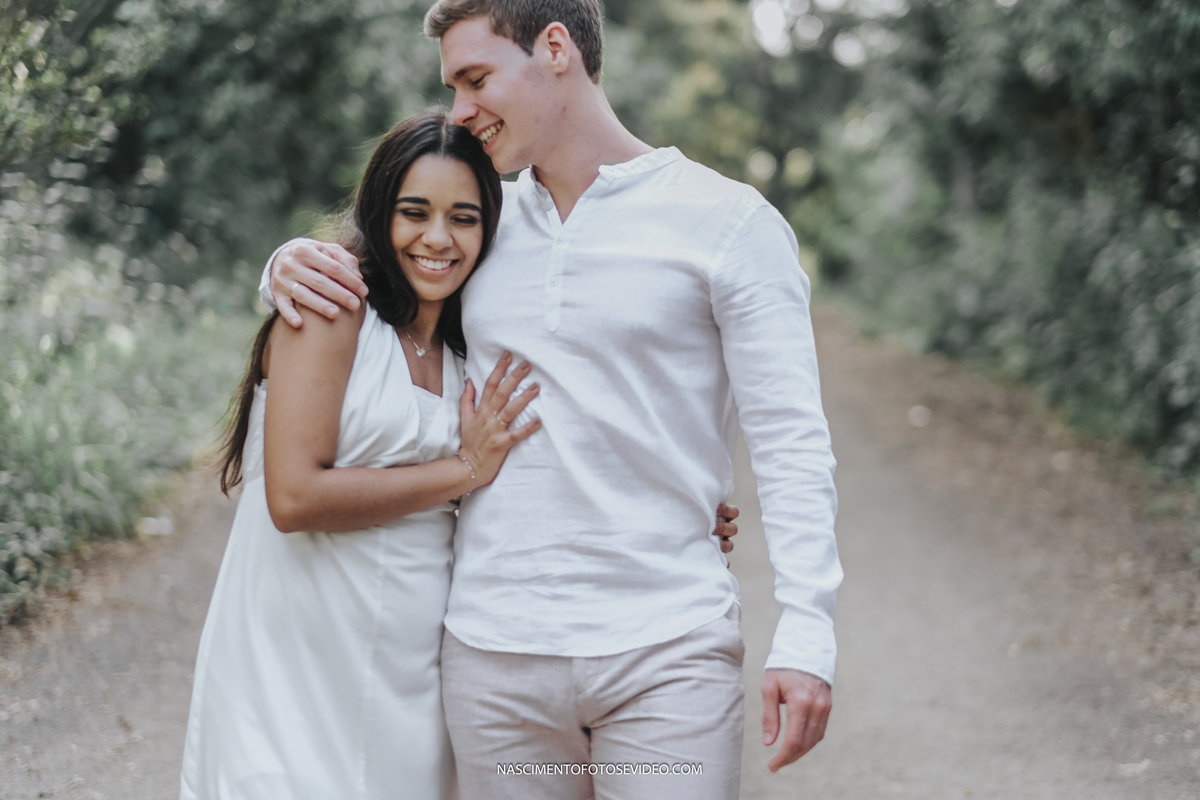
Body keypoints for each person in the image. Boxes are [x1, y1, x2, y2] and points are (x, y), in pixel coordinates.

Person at [261, 1, 841, 797]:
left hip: (666, 653)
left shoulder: (729, 224)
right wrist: (285, 263)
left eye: (475, 79)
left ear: (556, 48)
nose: (460, 111)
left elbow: (790, 440)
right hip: (493, 661)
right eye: (453, 87)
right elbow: (380, 276)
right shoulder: (480, 224)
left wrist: (807, 632)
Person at [180, 110, 540, 800]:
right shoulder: (333, 307)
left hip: (414, 667)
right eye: (415, 212)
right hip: (294, 656)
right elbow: (293, 499)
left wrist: (688, 511)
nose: (438, 238)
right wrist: (461, 472)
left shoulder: (478, 347)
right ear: (380, 213)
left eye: (464, 218)